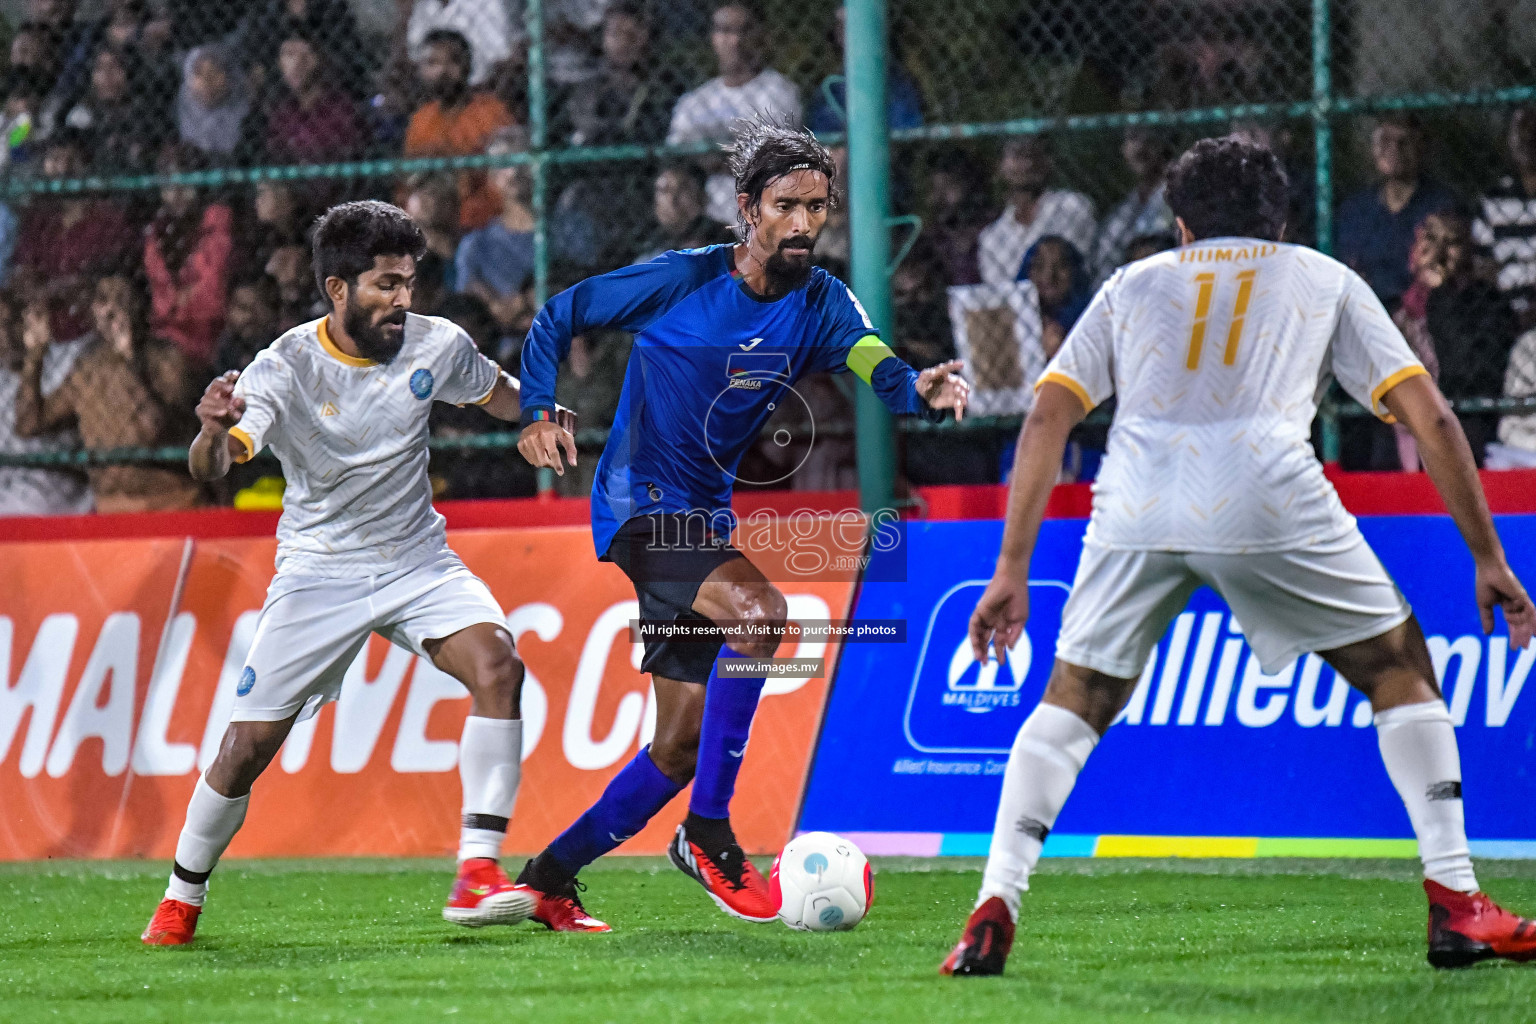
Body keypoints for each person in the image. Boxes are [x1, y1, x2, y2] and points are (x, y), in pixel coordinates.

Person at [944, 135, 1536, 977]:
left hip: (1136, 499)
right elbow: (1432, 418)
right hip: (1267, 492)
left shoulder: (1131, 282)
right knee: (1399, 664)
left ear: (1182, 225)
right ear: (1280, 217)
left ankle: (993, 903)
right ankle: (1456, 903)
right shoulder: (1320, 275)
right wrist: (1486, 555)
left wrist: (1010, 570)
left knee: (1074, 697)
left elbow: (1047, 419)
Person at [513, 119, 969, 931]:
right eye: (787, 205)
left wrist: (917, 387)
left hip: (702, 523)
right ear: (747, 209)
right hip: (638, 507)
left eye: (818, 207)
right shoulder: (682, 280)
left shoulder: (822, 300)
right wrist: (538, 409)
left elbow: (871, 357)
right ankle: (710, 834)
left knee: (679, 748)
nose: (803, 224)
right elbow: (560, 313)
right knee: (764, 619)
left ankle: (548, 877)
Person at [140, 200, 572, 946]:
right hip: (320, 570)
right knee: (246, 749)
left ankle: (477, 871)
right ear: (337, 290)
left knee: (499, 666)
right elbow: (218, 462)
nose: (403, 300)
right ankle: (182, 896)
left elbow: (496, 390)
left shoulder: (437, 344)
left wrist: (539, 414)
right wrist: (209, 432)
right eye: (384, 285)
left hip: (416, 557)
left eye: (408, 282)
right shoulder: (286, 366)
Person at [14, 272, 199, 513]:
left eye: (120, 299)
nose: (111, 309)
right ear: (93, 310)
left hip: (170, 504)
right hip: (111, 509)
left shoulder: (167, 360)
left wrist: (129, 360)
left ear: (139, 306)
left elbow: (152, 431)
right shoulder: (87, 370)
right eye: (103, 299)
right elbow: (28, 425)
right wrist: (35, 355)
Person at [667, 2, 802, 225]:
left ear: (761, 35)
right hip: (701, 216)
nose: (735, 41)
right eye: (725, 31)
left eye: (744, 30)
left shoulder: (779, 92)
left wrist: (706, 156)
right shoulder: (694, 101)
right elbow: (675, 157)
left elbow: (766, 161)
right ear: (713, 37)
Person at [11, 129, 138, 341]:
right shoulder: (40, 218)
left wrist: (52, 290)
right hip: (39, 326)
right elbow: (23, 269)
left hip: (89, 331)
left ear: (86, 166)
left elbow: (101, 280)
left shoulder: (107, 218)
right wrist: (32, 289)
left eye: (72, 160)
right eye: (55, 159)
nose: (63, 168)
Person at [1335, 116, 1457, 307]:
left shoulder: (1440, 205)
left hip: (1421, 308)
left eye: (1404, 142)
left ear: (1420, 148)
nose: (1394, 149)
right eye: (1385, 142)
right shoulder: (1356, 208)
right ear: (1374, 150)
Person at [403, 29, 514, 232]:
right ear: (420, 70)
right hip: (430, 218)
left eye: (453, 61)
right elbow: (410, 176)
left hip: (482, 218)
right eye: (433, 63)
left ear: (469, 65)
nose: (443, 71)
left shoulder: (491, 111)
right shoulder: (421, 119)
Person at [0, 288, 94, 517]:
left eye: (9, 323)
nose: (4, 334)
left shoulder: (69, 358)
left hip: (58, 491)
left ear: (28, 322)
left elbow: (29, 426)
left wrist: (35, 354)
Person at [143, 144, 235, 372]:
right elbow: (158, 293)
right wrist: (177, 303)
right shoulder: (157, 230)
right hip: (165, 333)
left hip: (207, 333)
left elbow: (212, 294)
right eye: (169, 185)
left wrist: (178, 305)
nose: (176, 193)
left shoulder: (217, 222)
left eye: (185, 183)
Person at [552, 1, 675, 149]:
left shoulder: (662, 84)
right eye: (615, 34)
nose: (623, 42)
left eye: (631, 35)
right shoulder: (588, 84)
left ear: (646, 37)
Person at [977, 136, 1096, 286]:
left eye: (1033, 155)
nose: (1027, 164)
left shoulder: (1072, 206)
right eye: (1017, 155)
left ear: (1048, 162)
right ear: (1000, 166)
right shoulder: (991, 238)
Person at [1474, 107, 1536, 330]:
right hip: (1506, 316)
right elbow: (1483, 266)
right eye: (1520, 130)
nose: (1528, 137)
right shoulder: (1495, 200)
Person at [263, 31, 364, 163]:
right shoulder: (280, 111)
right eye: (289, 54)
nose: (297, 64)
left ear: (320, 59)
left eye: (306, 54)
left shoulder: (340, 107)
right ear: (279, 63)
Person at [1090, 128, 1176, 284]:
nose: (1140, 148)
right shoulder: (1122, 212)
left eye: (1149, 139)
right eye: (1132, 138)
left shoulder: (1181, 197)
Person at [633, 163, 737, 264]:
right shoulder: (649, 245)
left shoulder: (720, 232)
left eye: (682, 189)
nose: (672, 198)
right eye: (665, 190)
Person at [175, 42, 254, 161]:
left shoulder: (249, 119)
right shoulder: (178, 113)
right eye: (198, 73)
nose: (206, 81)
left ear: (230, 77)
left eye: (214, 72)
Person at [212, 274, 281, 376]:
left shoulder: (280, 348)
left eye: (257, 310)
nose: (249, 317)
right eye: (242, 307)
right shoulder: (224, 349)